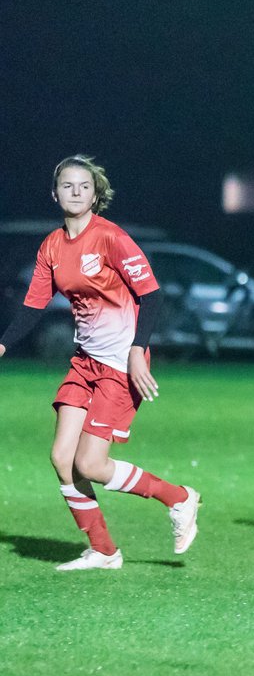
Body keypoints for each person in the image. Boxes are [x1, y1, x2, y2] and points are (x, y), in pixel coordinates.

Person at [0, 155, 201, 570]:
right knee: (62, 458)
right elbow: (33, 306)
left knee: (90, 463)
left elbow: (153, 295)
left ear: (95, 194)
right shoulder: (52, 246)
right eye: (68, 186)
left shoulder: (110, 237)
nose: (76, 192)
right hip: (86, 361)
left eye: (84, 186)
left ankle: (179, 498)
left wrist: (136, 351)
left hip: (121, 364)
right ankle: (104, 551)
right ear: (55, 193)